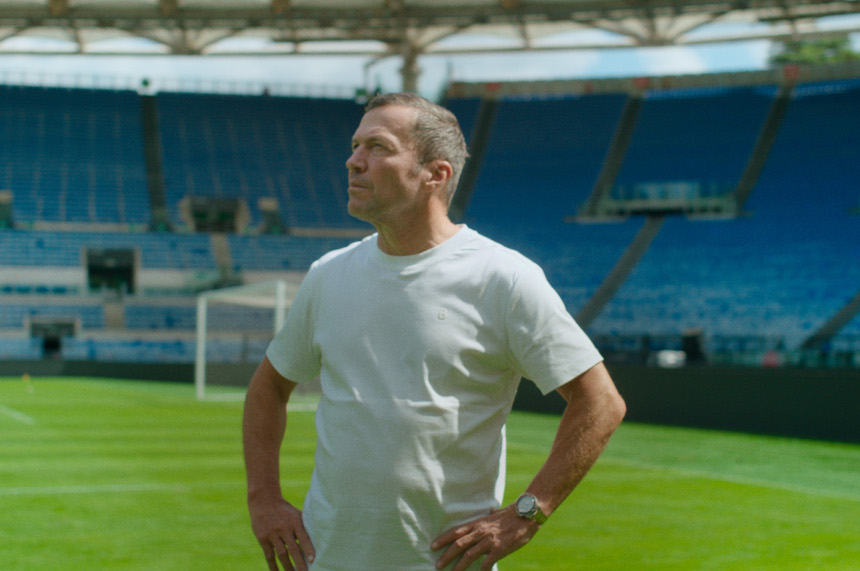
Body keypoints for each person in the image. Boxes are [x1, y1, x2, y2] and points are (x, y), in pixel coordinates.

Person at [243, 92, 626, 571]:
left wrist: (527, 514)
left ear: (436, 174)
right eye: (355, 145)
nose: (353, 161)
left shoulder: (502, 277)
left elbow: (601, 402)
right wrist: (263, 499)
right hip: (328, 559)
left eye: (377, 147)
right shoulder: (328, 274)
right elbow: (268, 387)